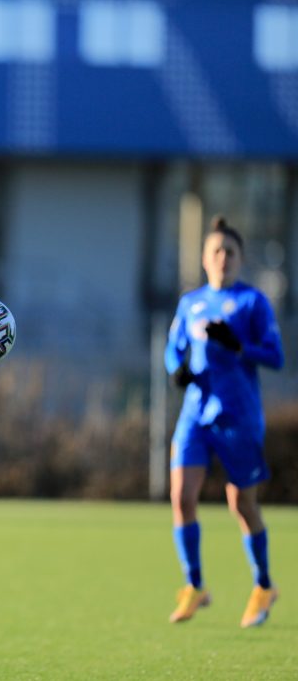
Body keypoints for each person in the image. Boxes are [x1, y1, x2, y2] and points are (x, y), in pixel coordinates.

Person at [164, 215, 284, 627]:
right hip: (195, 414)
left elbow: (275, 356)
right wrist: (176, 370)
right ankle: (195, 585)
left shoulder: (252, 302)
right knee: (182, 497)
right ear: (204, 258)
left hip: (238, 415)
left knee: (241, 503)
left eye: (230, 252)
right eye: (216, 250)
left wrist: (238, 345)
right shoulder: (190, 302)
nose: (223, 258)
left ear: (240, 259)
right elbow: (172, 349)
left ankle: (264, 585)